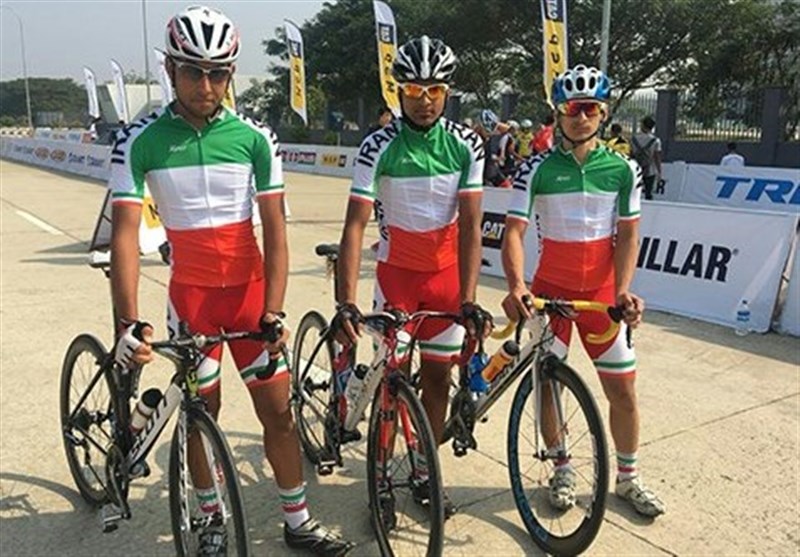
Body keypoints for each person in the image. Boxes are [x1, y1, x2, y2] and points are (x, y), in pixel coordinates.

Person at [108, 6, 353, 556]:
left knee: (279, 414)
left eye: (218, 73)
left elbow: (276, 231)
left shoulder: (255, 138)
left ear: (231, 74)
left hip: (249, 299)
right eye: (193, 72)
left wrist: (275, 309)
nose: (206, 85)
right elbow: (124, 234)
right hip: (192, 303)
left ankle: (298, 521)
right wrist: (127, 322)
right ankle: (210, 518)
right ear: (170, 69)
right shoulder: (138, 140)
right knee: (203, 416)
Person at [334, 35, 490, 518]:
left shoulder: (466, 144)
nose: (425, 101)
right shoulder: (377, 145)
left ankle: (424, 471)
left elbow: (471, 226)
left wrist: (468, 298)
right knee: (391, 381)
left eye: (435, 90)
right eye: (415, 91)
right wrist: (346, 301)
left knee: (439, 380)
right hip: (397, 281)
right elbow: (355, 225)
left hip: (445, 281)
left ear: (447, 92)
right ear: (398, 91)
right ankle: (380, 476)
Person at [501, 64, 666, 518]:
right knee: (549, 386)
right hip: (550, 295)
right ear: (558, 113)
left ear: (604, 112)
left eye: (589, 108)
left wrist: (624, 291)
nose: (580, 117)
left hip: (601, 297)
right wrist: (516, 285)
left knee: (623, 391)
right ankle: (561, 468)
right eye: (571, 108)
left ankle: (628, 478)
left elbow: (628, 235)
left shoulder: (623, 168)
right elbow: (513, 231)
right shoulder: (535, 168)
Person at [631, 116, 662, 200]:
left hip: (635, 167)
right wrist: (659, 171)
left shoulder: (634, 139)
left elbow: (630, 153)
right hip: (650, 168)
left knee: (633, 191)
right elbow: (657, 156)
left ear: (642, 125)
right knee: (648, 192)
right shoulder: (656, 140)